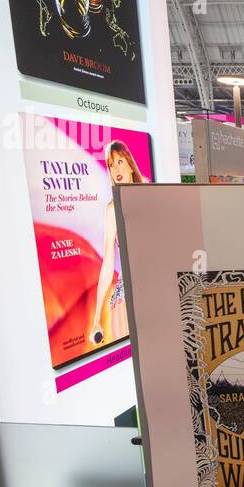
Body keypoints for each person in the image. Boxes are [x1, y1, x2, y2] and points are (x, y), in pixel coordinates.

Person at [86, 140, 149, 350]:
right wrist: (96, 318)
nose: (116, 169)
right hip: (127, 295)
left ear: (131, 164)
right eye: (111, 165)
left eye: (120, 161)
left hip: (155, 286)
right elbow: (107, 264)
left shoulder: (151, 196)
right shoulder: (113, 209)